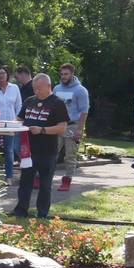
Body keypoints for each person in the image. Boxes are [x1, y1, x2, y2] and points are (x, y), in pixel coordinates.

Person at [13, 74, 70, 219]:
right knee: (25, 182)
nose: (36, 91)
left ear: (48, 86)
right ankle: (21, 210)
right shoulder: (29, 101)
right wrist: (13, 126)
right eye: (34, 88)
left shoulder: (58, 103)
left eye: (39, 88)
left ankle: (42, 213)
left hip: (47, 151)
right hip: (28, 151)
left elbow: (62, 128)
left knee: (45, 185)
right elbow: (19, 119)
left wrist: (42, 130)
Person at [53, 63, 90, 191]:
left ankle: (67, 180)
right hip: (57, 125)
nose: (63, 76)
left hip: (72, 126)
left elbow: (84, 111)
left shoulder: (80, 90)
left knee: (70, 155)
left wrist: (80, 129)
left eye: (66, 74)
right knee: (51, 153)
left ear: (72, 74)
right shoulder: (57, 88)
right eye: (62, 74)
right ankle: (43, 178)